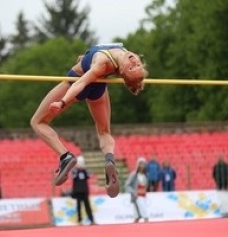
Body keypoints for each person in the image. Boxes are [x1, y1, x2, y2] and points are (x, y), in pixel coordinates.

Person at [30, 43, 148, 198]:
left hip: (77, 82)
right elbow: (89, 57)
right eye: (137, 64)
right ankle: (109, 160)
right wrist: (83, 58)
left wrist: (62, 102)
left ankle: (65, 157)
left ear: (121, 71)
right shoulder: (121, 53)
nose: (134, 62)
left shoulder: (102, 63)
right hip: (98, 87)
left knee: (37, 122)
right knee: (104, 131)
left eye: (132, 68)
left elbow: (81, 83)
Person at [71, 155, 95, 225]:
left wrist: (85, 168)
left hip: (85, 190)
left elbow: (89, 175)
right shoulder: (74, 170)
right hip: (77, 190)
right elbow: (73, 176)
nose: (80, 164)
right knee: (78, 206)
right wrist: (76, 168)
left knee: (87, 205)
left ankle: (91, 220)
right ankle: (79, 220)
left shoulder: (85, 171)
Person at [124, 157, 149, 223]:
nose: (142, 166)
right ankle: (146, 219)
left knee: (137, 215)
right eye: (140, 164)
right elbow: (127, 185)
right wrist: (134, 192)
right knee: (141, 212)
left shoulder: (145, 175)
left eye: (143, 164)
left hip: (143, 196)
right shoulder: (134, 175)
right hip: (136, 196)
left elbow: (146, 186)